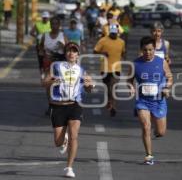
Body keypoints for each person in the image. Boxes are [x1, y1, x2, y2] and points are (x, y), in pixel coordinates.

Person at [42, 42, 94, 178]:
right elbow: (44, 83)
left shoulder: (82, 70)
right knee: (58, 142)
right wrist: (52, 82)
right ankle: (63, 140)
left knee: (74, 136)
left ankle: (69, 167)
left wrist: (90, 85)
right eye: (69, 51)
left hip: (74, 105)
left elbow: (89, 88)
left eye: (74, 51)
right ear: (66, 54)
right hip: (58, 106)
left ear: (78, 54)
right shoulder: (57, 67)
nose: (72, 53)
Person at [128, 36, 173, 165]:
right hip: (142, 101)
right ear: (141, 50)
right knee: (146, 127)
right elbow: (129, 80)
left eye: (150, 50)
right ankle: (149, 155)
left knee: (161, 132)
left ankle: (157, 129)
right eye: (145, 50)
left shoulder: (161, 62)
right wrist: (131, 88)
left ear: (154, 49)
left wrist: (166, 87)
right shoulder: (135, 64)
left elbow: (169, 77)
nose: (148, 53)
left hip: (159, 101)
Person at [93, 24, 126, 116]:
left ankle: (113, 106)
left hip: (117, 68)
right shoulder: (103, 40)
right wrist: (102, 52)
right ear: (109, 32)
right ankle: (109, 101)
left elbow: (123, 52)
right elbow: (95, 51)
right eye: (112, 33)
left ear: (117, 32)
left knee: (114, 87)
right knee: (108, 88)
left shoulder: (121, 42)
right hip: (105, 68)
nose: (114, 34)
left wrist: (123, 58)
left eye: (115, 33)